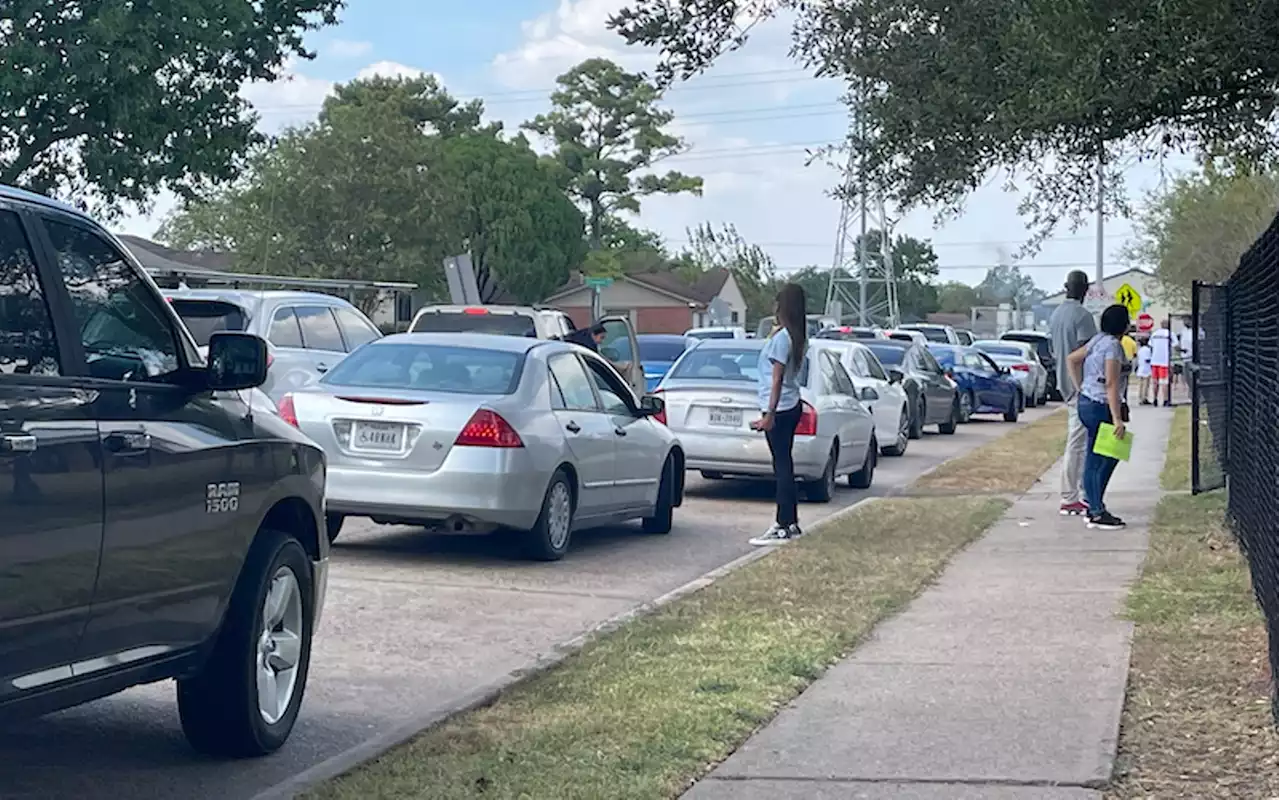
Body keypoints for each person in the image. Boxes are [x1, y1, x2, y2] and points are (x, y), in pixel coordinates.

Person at [748, 283, 810, 545]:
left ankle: (782, 524)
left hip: (780, 407)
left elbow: (776, 379)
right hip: (791, 404)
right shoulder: (797, 336)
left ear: (782, 306)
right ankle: (791, 522)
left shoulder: (782, 338)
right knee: (785, 463)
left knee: (781, 466)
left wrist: (769, 414)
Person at [1067, 304, 1131, 530]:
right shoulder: (1112, 346)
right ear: (1123, 324)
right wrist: (1117, 419)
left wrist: (1080, 387)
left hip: (1087, 401)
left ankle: (1094, 502)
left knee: (1111, 454)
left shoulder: (1097, 340)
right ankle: (1095, 510)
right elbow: (1111, 384)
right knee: (1097, 457)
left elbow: (1072, 359)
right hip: (1099, 406)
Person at [1048, 270, 1098, 516]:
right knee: (1077, 442)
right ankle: (1070, 497)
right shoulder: (1083, 316)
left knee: (1080, 440)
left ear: (1066, 286)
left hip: (1063, 383)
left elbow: (1054, 351)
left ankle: (1081, 492)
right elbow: (1084, 353)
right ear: (1085, 289)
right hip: (1081, 386)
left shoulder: (1056, 315)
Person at [1149, 320, 1173, 407]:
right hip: (1164, 361)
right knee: (1164, 382)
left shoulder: (1155, 334)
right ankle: (1165, 400)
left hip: (1154, 361)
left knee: (1155, 381)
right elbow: (1175, 345)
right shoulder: (1170, 334)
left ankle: (1155, 399)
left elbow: (1151, 346)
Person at [1136, 336, 1153, 405]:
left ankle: (1140, 398)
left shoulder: (1140, 350)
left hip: (1140, 368)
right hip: (1146, 369)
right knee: (1146, 385)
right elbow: (1147, 359)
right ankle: (1144, 398)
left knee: (1141, 385)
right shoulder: (1147, 350)